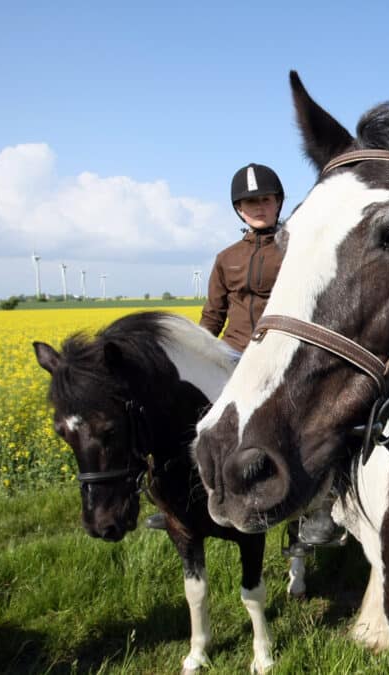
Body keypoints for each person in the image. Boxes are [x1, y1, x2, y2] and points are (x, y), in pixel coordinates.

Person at [148, 163, 345, 551]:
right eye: (250, 202)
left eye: (266, 200)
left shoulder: (295, 247)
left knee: (303, 428)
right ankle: (181, 504)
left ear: (278, 203)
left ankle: (317, 510)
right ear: (239, 209)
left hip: (281, 358)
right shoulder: (226, 258)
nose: (258, 207)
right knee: (193, 420)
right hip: (233, 355)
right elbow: (213, 314)